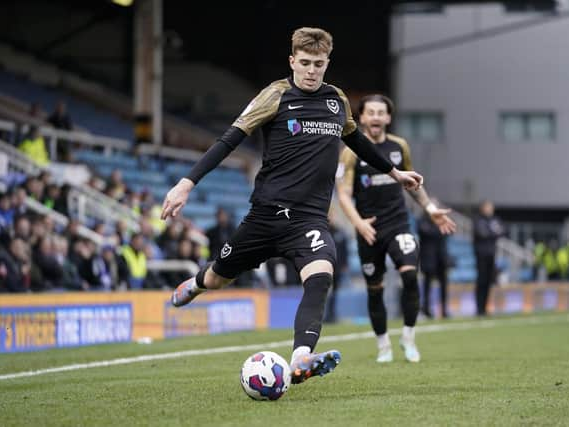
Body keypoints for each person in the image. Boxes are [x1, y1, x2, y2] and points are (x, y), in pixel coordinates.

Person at [161, 27, 423, 384]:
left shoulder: (337, 101)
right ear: (292, 61)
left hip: (309, 221)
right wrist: (186, 183)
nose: (312, 70)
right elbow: (229, 140)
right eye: (305, 63)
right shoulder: (275, 95)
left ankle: (301, 358)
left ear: (327, 63)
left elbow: (358, 142)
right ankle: (196, 284)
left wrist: (395, 172)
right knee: (218, 276)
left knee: (320, 277)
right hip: (265, 217)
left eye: (318, 63)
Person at [336, 94, 455, 363]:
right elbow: (342, 193)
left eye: (381, 112)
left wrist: (430, 209)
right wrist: (358, 223)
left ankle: (409, 338)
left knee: (411, 276)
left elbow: (412, 183)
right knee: (375, 288)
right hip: (369, 228)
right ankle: (383, 346)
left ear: (388, 118)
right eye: (371, 112)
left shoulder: (400, 146)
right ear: (362, 118)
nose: (376, 117)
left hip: (398, 223)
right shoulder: (351, 152)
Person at [417, 202, 450, 318]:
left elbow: (446, 233)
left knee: (444, 284)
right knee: (427, 284)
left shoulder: (441, 220)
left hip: (441, 257)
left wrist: (437, 230)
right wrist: (437, 230)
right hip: (429, 258)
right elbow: (427, 232)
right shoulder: (422, 220)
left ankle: (444, 310)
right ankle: (426, 309)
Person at [472, 200, 504, 316]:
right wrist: (493, 232)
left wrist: (491, 232)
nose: (490, 209)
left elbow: (502, 231)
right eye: (487, 207)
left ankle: (485, 307)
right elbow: (482, 234)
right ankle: (479, 308)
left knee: (488, 282)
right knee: (481, 281)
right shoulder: (478, 220)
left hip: (491, 254)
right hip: (481, 255)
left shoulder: (494, 220)